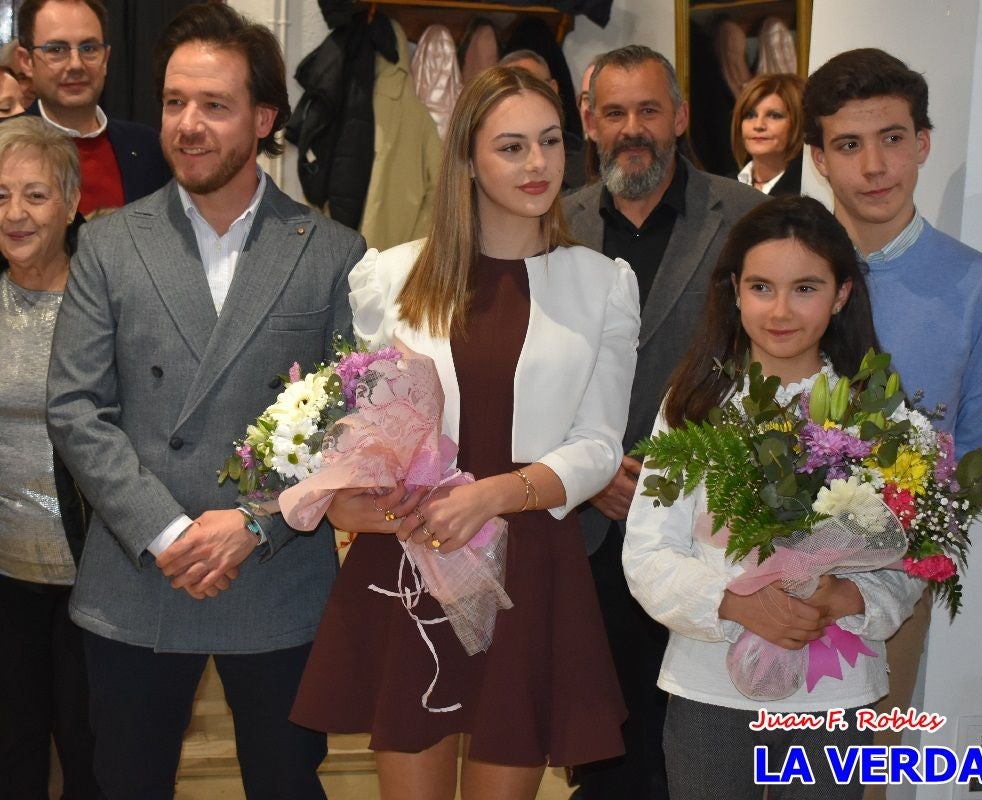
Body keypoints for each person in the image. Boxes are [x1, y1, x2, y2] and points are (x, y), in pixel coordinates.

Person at [290, 65, 638, 800]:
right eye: (511, 147)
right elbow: (363, 428)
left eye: (549, 142)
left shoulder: (603, 282)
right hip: (414, 557)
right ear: (469, 160)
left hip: (531, 559)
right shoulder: (390, 276)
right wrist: (350, 500)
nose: (538, 163)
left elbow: (599, 444)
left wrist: (495, 496)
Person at [45, 5, 365, 798]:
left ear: (263, 119)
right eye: (174, 102)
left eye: (214, 106)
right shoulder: (110, 244)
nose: (188, 125)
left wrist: (254, 523)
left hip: (277, 580)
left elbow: (353, 427)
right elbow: (76, 407)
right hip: (138, 573)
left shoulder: (331, 252)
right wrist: (167, 531)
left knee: (290, 785)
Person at [623, 195, 924, 800]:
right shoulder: (692, 406)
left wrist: (845, 595)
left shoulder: (878, 417)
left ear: (841, 295)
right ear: (735, 291)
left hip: (835, 697)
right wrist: (735, 604)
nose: (781, 310)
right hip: (709, 685)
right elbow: (647, 553)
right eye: (762, 286)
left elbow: (910, 563)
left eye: (806, 288)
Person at [803, 48, 982, 796]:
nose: (874, 165)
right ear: (818, 159)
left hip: (887, 591)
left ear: (923, 143)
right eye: (848, 144)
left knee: (851, 781)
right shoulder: (779, 269)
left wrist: (904, 551)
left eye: (893, 138)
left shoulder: (977, 288)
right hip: (753, 580)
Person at [563, 44, 764, 800]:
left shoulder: (747, 217)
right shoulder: (555, 222)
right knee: (603, 743)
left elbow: (770, 360)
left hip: (705, 524)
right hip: (585, 522)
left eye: (649, 109)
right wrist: (587, 476)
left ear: (680, 117)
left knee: (694, 733)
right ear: (589, 122)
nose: (632, 128)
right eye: (613, 112)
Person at [0, 115, 97, 800]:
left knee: (90, 756)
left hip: (90, 579)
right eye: (1, 195)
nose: (15, 213)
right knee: (12, 754)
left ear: (71, 203)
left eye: (35, 195)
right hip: (3, 577)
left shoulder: (103, 308)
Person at [15, 0, 170, 214]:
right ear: (26, 61)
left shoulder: (150, 148)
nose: (76, 64)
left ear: (105, 58)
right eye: (57, 49)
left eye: (89, 48)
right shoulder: (5, 146)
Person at [498, 49, 586, 189]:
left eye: (534, 86)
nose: (525, 98)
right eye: (512, 90)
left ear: (553, 89)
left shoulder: (585, 161)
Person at [731, 72, 804, 196]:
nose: (759, 125)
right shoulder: (724, 187)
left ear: (799, 122)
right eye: (750, 115)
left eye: (774, 116)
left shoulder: (808, 191)